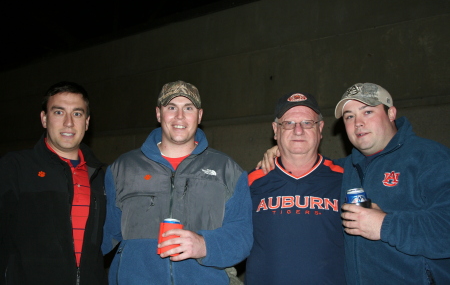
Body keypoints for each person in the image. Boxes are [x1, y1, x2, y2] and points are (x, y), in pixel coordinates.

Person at [258, 83, 450, 284]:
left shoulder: (429, 159)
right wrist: (284, 152)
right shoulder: (344, 169)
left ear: (391, 113)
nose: (358, 123)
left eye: (367, 112)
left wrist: (384, 225)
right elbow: (309, 166)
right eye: (349, 116)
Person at [101, 80, 253, 284]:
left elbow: (242, 234)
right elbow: (102, 236)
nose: (179, 116)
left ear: (199, 116)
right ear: (158, 113)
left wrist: (204, 244)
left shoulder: (227, 170)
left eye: (188, 108)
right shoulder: (123, 168)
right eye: (171, 107)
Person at [0, 82, 107, 284]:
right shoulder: (14, 168)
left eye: (77, 114)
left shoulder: (101, 176)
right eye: (59, 112)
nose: (68, 122)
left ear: (87, 122)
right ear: (44, 119)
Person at [246, 92, 346, 284]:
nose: (298, 130)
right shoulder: (252, 181)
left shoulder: (345, 179)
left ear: (320, 128)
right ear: (276, 130)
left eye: (307, 123)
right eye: (289, 123)